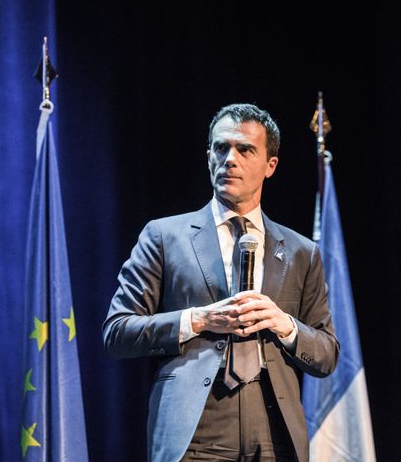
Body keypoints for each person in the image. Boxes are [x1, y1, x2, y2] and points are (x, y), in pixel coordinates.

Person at [103, 103, 339, 461]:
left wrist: (285, 324)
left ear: (270, 165)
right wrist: (199, 319)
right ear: (208, 156)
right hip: (197, 423)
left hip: (273, 426)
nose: (230, 159)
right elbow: (118, 333)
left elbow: (326, 353)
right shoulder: (165, 236)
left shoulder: (301, 252)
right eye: (221, 147)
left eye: (245, 150)